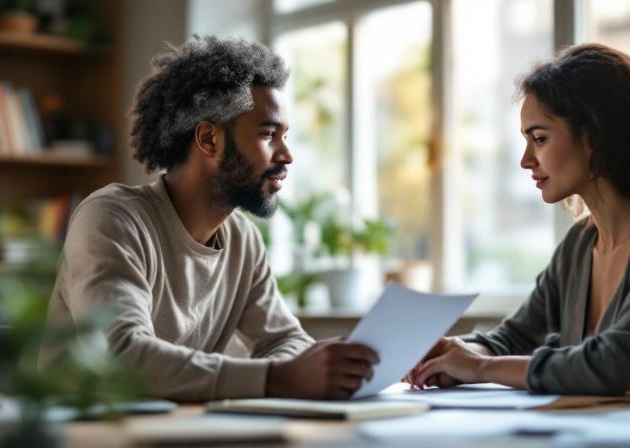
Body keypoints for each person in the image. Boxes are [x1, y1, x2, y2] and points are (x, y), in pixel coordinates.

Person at [39, 35, 378, 401]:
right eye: (268, 135)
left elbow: (284, 339)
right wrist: (276, 379)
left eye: (284, 136)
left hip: (177, 432)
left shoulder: (242, 239)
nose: (286, 155)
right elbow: (122, 354)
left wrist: (312, 370)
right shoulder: (113, 218)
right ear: (209, 140)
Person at [407, 43, 630, 395]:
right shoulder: (580, 243)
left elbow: (612, 365)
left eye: (539, 139)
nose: (526, 159)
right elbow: (512, 337)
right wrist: (450, 353)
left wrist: (479, 366)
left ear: (594, 137)